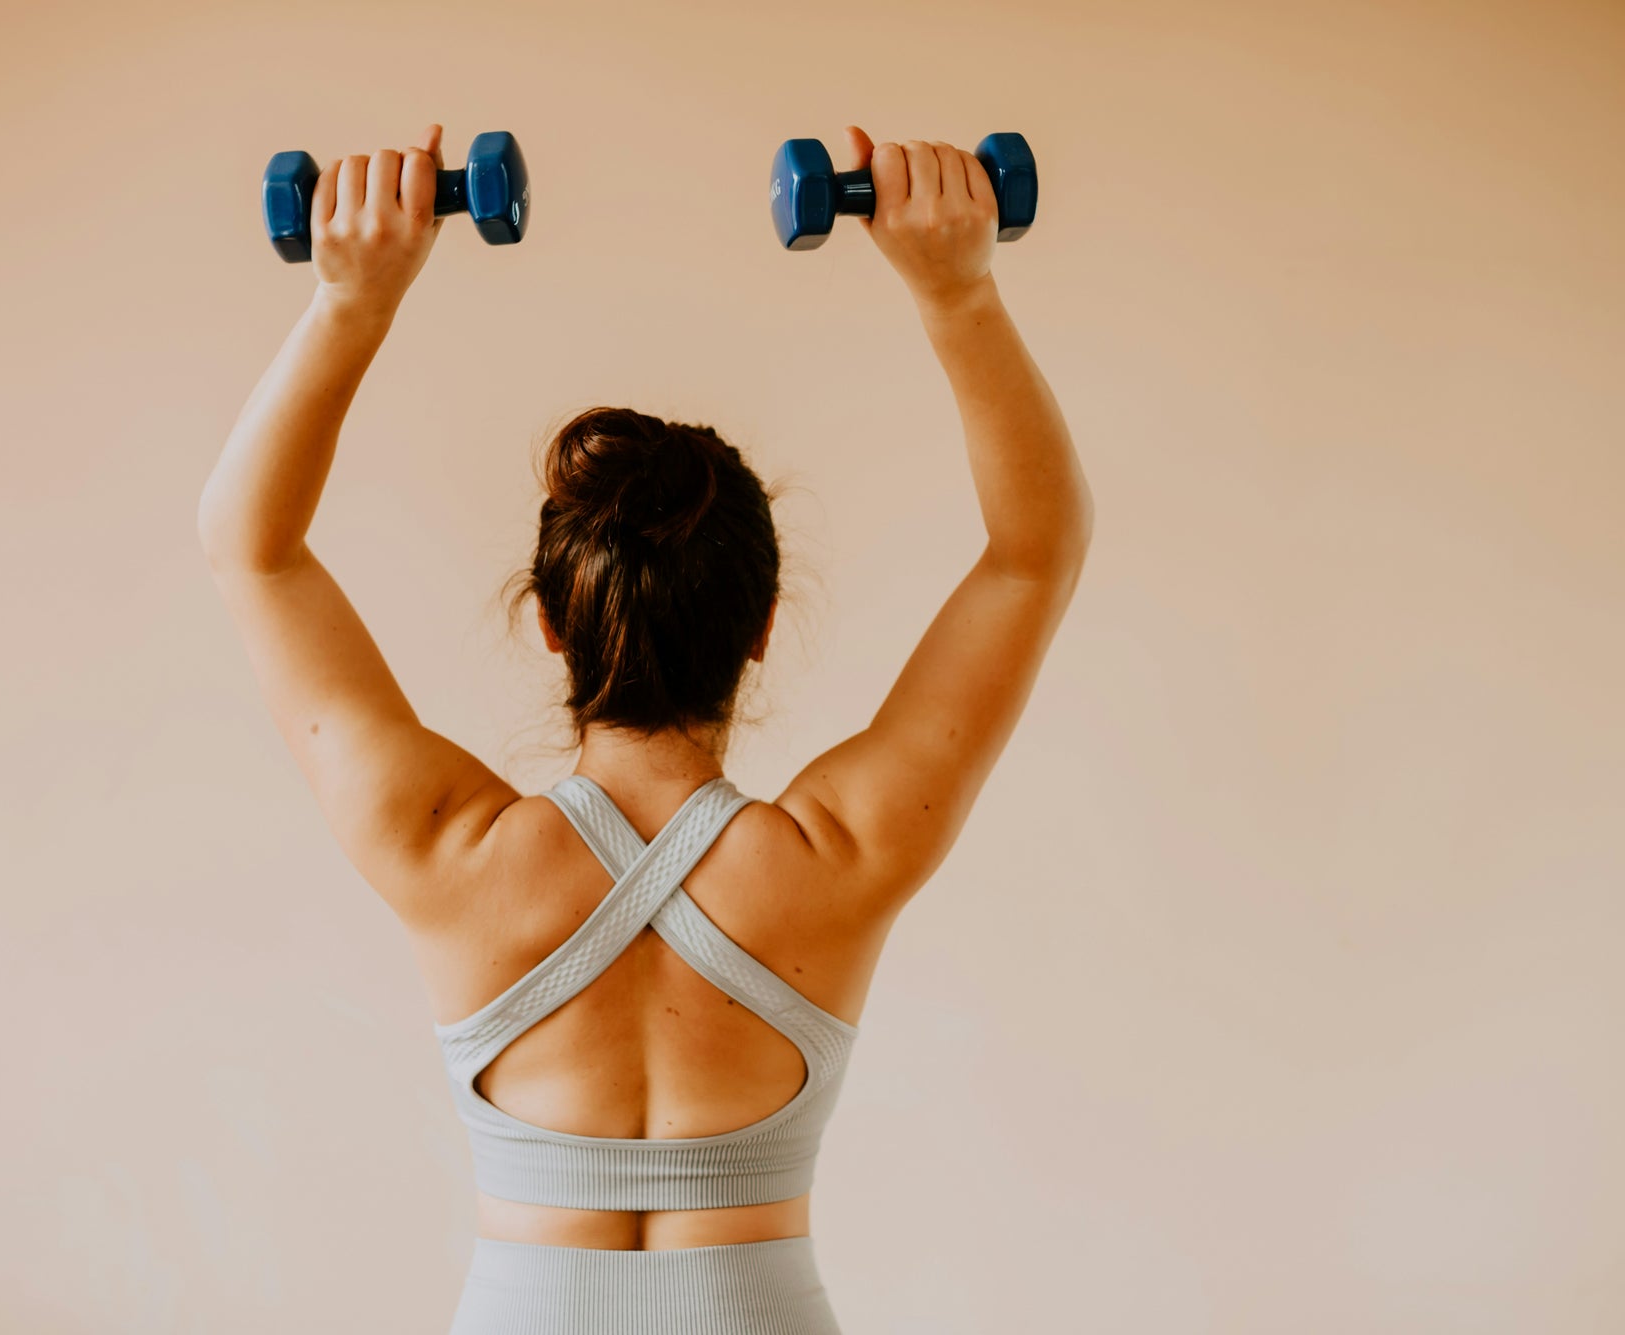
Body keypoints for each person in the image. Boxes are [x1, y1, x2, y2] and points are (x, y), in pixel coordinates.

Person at [198, 121, 1093, 1334]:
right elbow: (1030, 558)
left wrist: (350, 303)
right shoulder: (837, 858)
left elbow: (251, 550)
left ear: (553, 629)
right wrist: (960, 289)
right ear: (763, 626)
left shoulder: (449, 854)